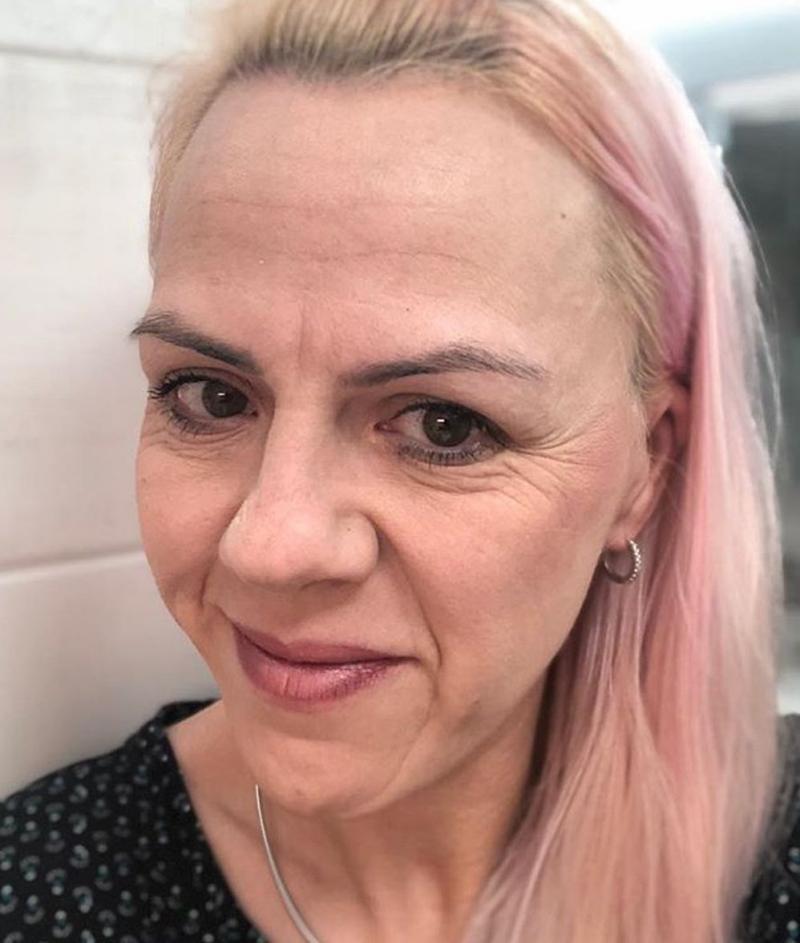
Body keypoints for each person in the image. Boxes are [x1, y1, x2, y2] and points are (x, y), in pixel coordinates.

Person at [0, 0, 795, 940]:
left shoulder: (768, 861)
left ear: (644, 469)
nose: (270, 546)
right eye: (210, 396)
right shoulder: (42, 896)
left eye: (444, 425)